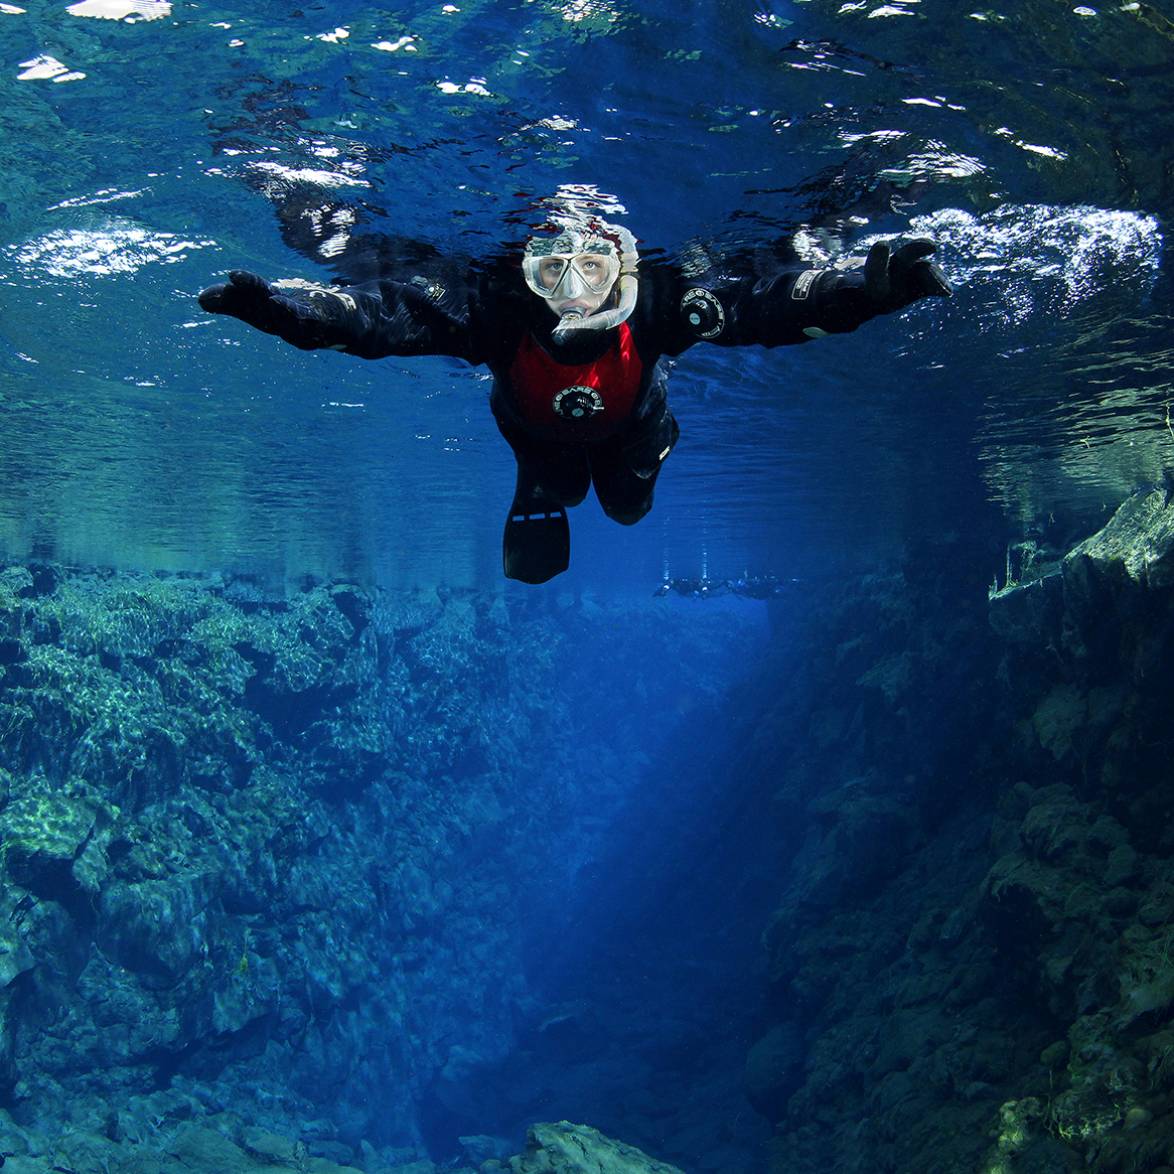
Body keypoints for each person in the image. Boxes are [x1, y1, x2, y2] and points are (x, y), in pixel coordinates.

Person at [199, 203, 950, 584]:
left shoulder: (662, 304)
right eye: (550, 269)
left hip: (633, 423)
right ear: (523, 271)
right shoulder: (494, 311)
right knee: (558, 480)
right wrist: (293, 312)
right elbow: (380, 320)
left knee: (626, 505)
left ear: (624, 270)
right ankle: (549, 480)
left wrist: (857, 292)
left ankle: (628, 462)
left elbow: (769, 307)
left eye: (591, 272)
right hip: (533, 435)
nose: (570, 294)